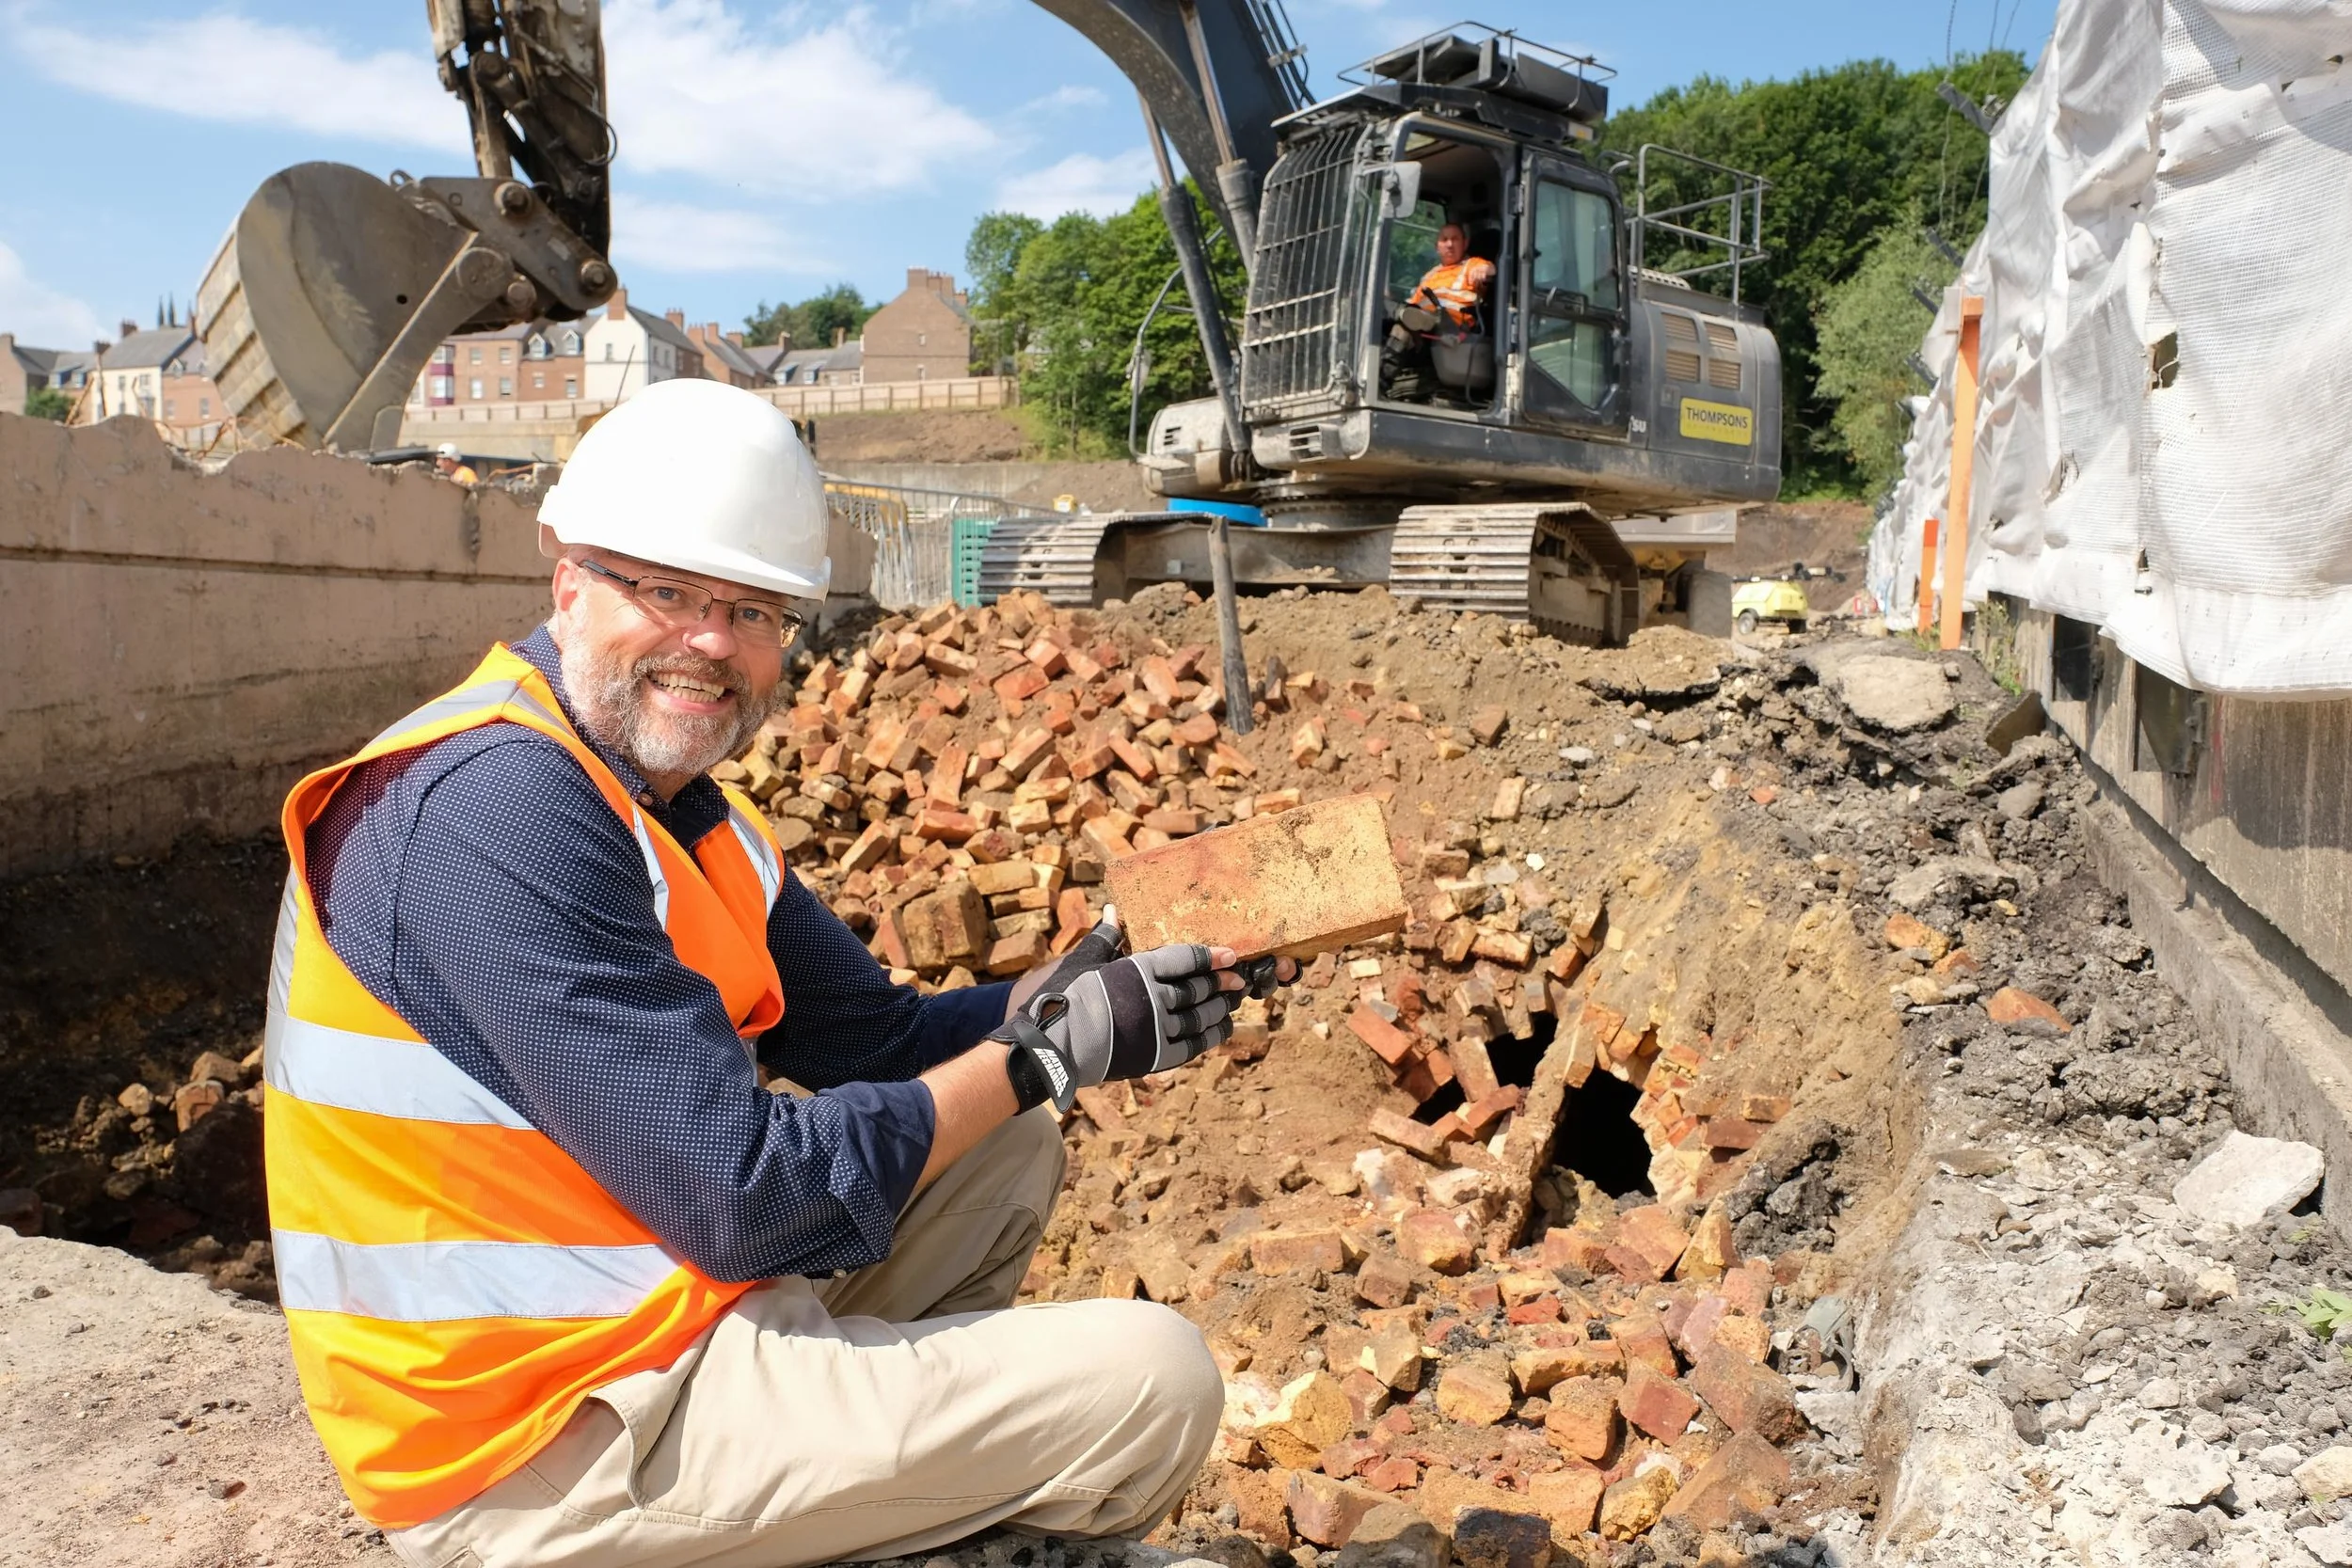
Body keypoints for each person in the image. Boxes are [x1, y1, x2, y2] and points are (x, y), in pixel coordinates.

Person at [265, 377, 1288, 1568]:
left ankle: (849, 1512)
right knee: (1153, 1378)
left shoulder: (675, 805)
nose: (712, 643)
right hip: (525, 1441)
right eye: (667, 593)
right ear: (570, 581)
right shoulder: (492, 809)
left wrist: (1072, 996)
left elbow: (877, 1042)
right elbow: (742, 1198)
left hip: (647, 1319)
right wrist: (1045, 1054)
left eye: (754, 611)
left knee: (1005, 1136)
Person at [1406, 222, 1496, 331]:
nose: (1450, 244)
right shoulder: (1429, 276)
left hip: (1455, 327)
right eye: (1444, 240)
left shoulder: (1472, 264)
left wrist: (1485, 270)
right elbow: (1412, 305)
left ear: (1465, 244)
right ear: (1437, 247)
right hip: (1424, 327)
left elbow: (1489, 269)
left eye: (1455, 239)